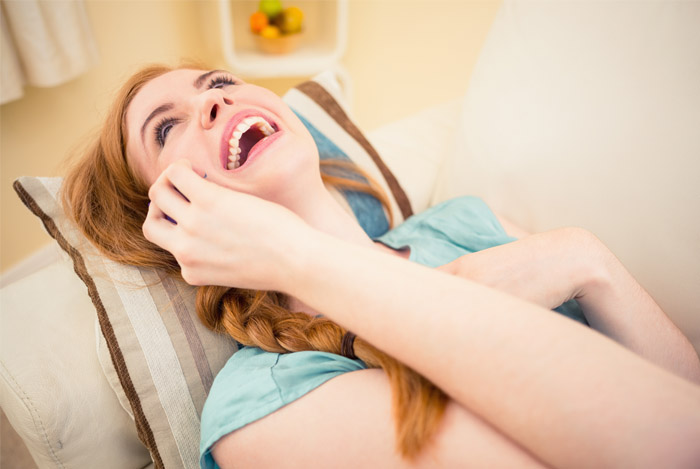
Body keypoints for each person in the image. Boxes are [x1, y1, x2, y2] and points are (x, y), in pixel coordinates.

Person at [62, 64, 700, 469]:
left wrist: (587, 258)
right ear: (172, 220)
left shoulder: (460, 224)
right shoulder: (263, 407)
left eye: (220, 83)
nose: (214, 104)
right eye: (165, 130)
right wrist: (545, 266)